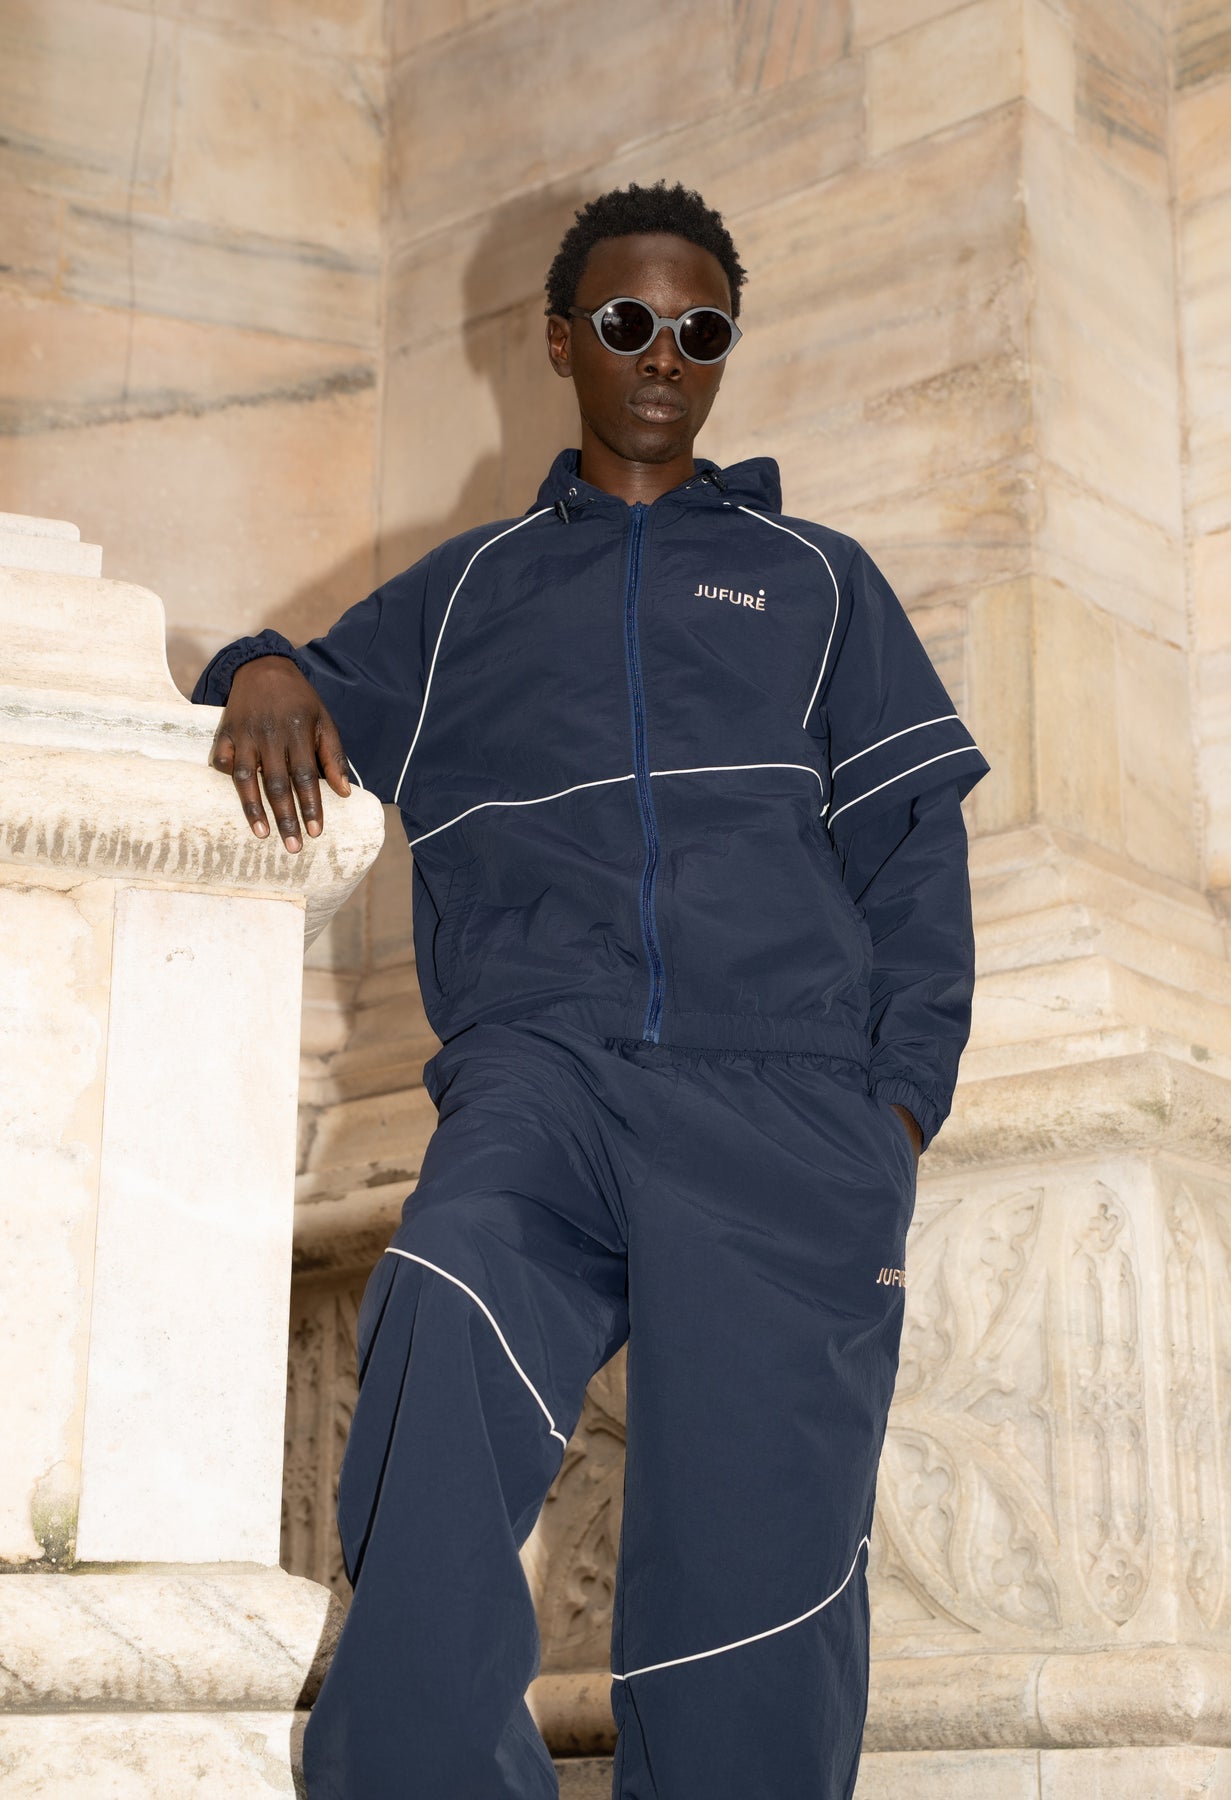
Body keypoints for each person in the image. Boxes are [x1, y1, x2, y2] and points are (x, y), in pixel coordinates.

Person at [193, 181, 988, 1800]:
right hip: (543, 1076)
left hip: (785, 1108)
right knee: (445, 1322)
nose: (662, 356)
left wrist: (896, 1113)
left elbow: (915, 858)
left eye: (700, 330)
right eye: (627, 322)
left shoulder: (819, 580)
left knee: (754, 1600)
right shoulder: (467, 592)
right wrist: (256, 666)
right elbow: (304, 683)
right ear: (560, 342)